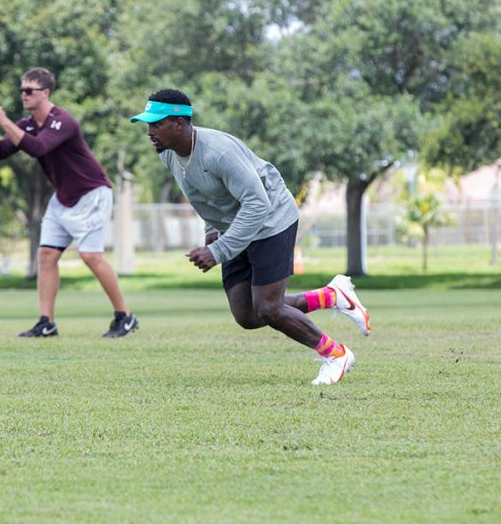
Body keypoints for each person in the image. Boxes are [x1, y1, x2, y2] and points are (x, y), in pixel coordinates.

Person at [130, 89, 370, 384]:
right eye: (148, 125)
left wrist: (219, 251)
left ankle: (336, 355)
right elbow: (201, 196)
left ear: (179, 123)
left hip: (271, 220)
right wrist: (211, 230)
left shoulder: (219, 152)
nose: (149, 132)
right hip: (236, 225)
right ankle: (332, 296)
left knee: (269, 308)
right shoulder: (169, 154)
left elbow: (258, 204)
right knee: (246, 314)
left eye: (156, 124)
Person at [0, 67, 137, 338]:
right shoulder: (27, 123)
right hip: (63, 198)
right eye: (21, 90)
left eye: (29, 90)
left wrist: (5, 121)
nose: (23, 95)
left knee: (90, 256)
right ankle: (46, 322)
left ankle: (125, 317)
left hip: (91, 194)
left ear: (46, 92)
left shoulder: (62, 121)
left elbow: (38, 148)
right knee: (47, 255)